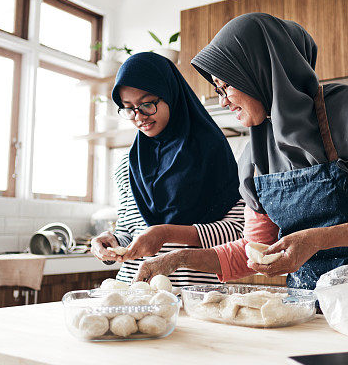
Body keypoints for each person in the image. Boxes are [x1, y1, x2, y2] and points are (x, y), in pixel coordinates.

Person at [134, 13, 348, 318]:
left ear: (259, 71)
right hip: (310, 319)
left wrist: (318, 240)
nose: (222, 101)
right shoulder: (254, 157)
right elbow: (253, 249)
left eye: (225, 87)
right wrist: (176, 259)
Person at [90, 52, 245, 287]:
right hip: (137, 295)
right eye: (128, 108)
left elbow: (237, 232)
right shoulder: (127, 165)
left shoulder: (211, 152)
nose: (138, 117)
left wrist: (165, 233)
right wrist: (111, 242)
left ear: (171, 95)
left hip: (194, 297)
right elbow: (129, 230)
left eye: (147, 104)